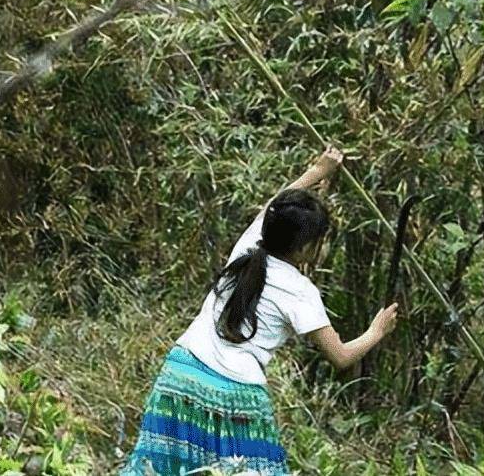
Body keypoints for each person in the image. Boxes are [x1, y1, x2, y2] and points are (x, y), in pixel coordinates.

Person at [120, 146, 400, 476]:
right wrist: (376, 331)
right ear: (307, 247)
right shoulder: (301, 291)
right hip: (237, 393)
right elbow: (340, 355)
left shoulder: (251, 244)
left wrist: (319, 169)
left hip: (181, 373)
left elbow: (274, 206)